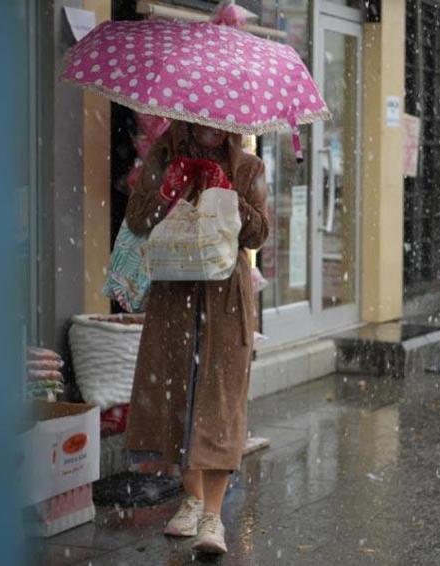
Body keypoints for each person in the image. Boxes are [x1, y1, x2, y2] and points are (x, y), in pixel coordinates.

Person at [124, 120, 269, 555]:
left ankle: (212, 516)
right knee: (179, 397)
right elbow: (136, 219)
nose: (211, 129)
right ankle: (190, 497)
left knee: (221, 401)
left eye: (220, 123)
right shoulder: (164, 156)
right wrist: (169, 188)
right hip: (175, 295)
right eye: (202, 121)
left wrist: (230, 195)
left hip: (225, 298)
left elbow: (259, 233)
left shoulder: (250, 166)